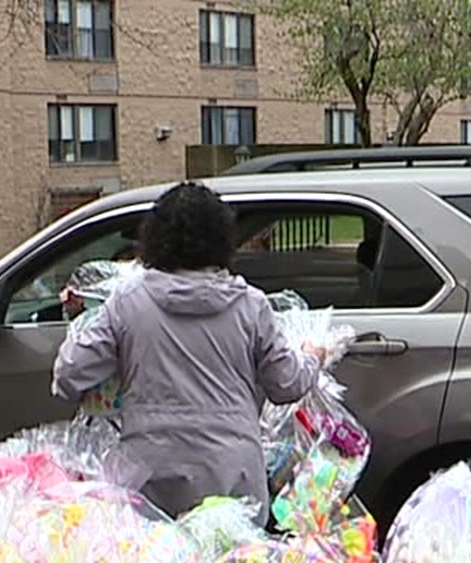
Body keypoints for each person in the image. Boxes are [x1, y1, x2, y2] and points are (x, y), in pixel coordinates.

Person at [53, 181, 318, 520]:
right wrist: (312, 357)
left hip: (151, 480)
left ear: (154, 238)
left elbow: (68, 376)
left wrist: (81, 320)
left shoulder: (128, 303)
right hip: (234, 479)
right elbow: (287, 385)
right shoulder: (251, 306)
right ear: (223, 239)